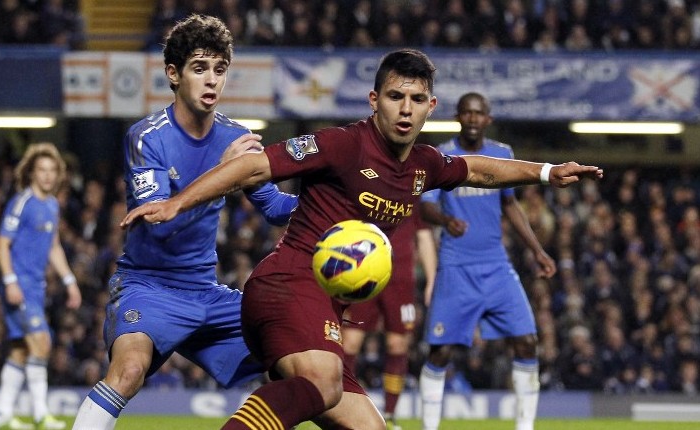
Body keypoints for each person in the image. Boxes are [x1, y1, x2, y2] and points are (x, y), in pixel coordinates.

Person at [121, 48, 602, 429]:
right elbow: (253, 166)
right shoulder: (342, 144)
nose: (405, 109)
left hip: (325, 303)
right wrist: (178, 202)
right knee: (322, 383)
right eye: (395, 97)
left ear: (431, 106)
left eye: (417, 100)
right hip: (288, 284)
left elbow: (477, 169)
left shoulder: (424, 164)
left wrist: (546, 172)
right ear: (375, 100)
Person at [71, 14, 297, 430]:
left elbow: (274, 207)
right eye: (199, 68)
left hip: (205, 291)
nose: (211, 80)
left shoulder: (236, 137)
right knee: (129, 370)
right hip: (148, 287)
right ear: (173, 74)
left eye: (219, 69)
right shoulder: (147, 137)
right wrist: (222, 175)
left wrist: (336, 201)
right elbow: (161, 221)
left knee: (296, 357)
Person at [418, 92, 556, 430]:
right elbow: (426, 205)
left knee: (527, 341)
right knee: (440, 352)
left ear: (488, 119)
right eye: (467, 112)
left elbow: (510, 205)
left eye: (479, 113)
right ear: (458, 117)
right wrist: (445, 220)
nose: (473, 118)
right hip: (456, 266)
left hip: (496, 265)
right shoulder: (441, 155)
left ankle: (525, 426)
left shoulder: (502, 154)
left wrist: (537, 250)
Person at [0, 142, 82, 430]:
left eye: (52, 170)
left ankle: (3, 415)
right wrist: (10, 281)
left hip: (36, 288)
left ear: (58, 174)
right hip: (19, 286)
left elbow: (54, 246)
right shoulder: (22, 202)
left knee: (21, 350)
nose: (47, 175)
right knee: (42, 343)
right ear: (31, 173)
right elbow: (1, 244)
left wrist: (70, 281)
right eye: (41, 169)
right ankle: (41, 414)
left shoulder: (52, 205)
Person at [341, 203, 437, 430]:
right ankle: (343, 408)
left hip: (400, 278)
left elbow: (424, 236)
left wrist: (432, 280)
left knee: (397, 344)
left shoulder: (413, 194)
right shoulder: (366, 190)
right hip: (364, 272)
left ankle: (390, 414)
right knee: (350, 342)